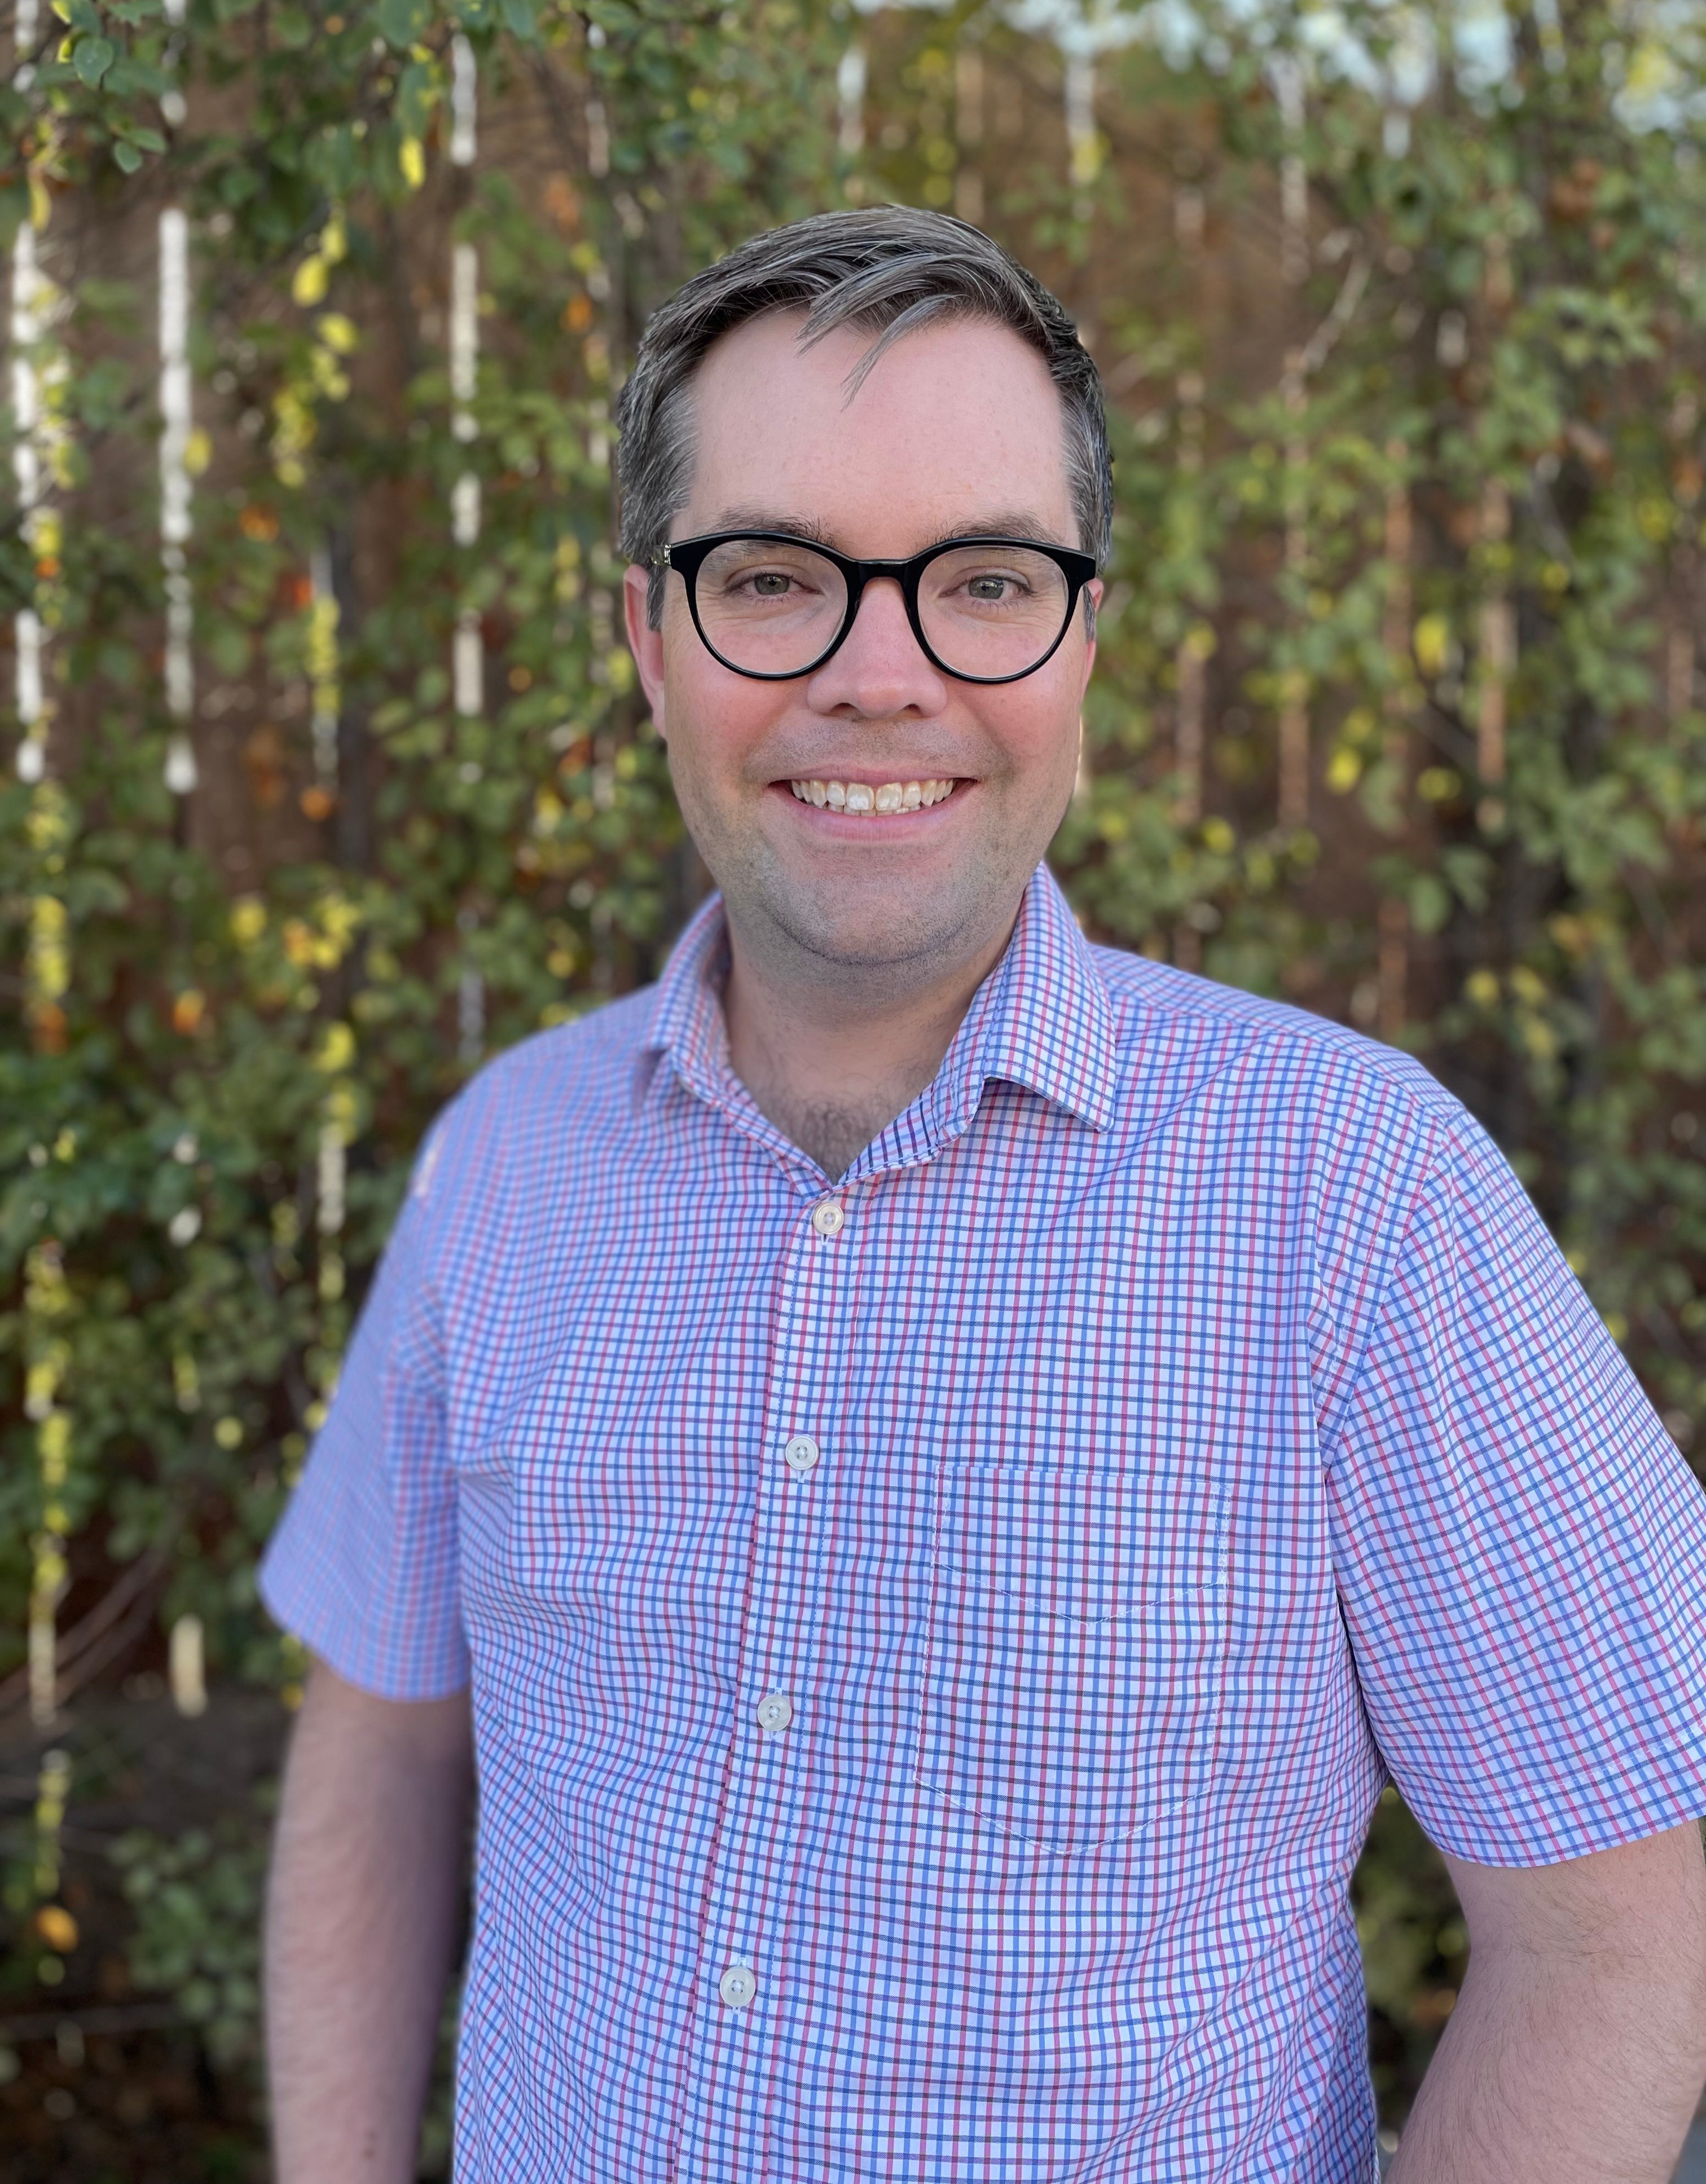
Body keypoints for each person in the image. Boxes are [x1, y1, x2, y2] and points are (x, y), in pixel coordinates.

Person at [259, 205, 1706, 2184]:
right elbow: (383, 1743)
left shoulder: (1363, 1202)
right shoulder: (503, 1166)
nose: (882, 673)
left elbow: (1627, 1931)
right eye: (770, 576)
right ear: (645, 636)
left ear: (1085, 635)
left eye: (986, 581)